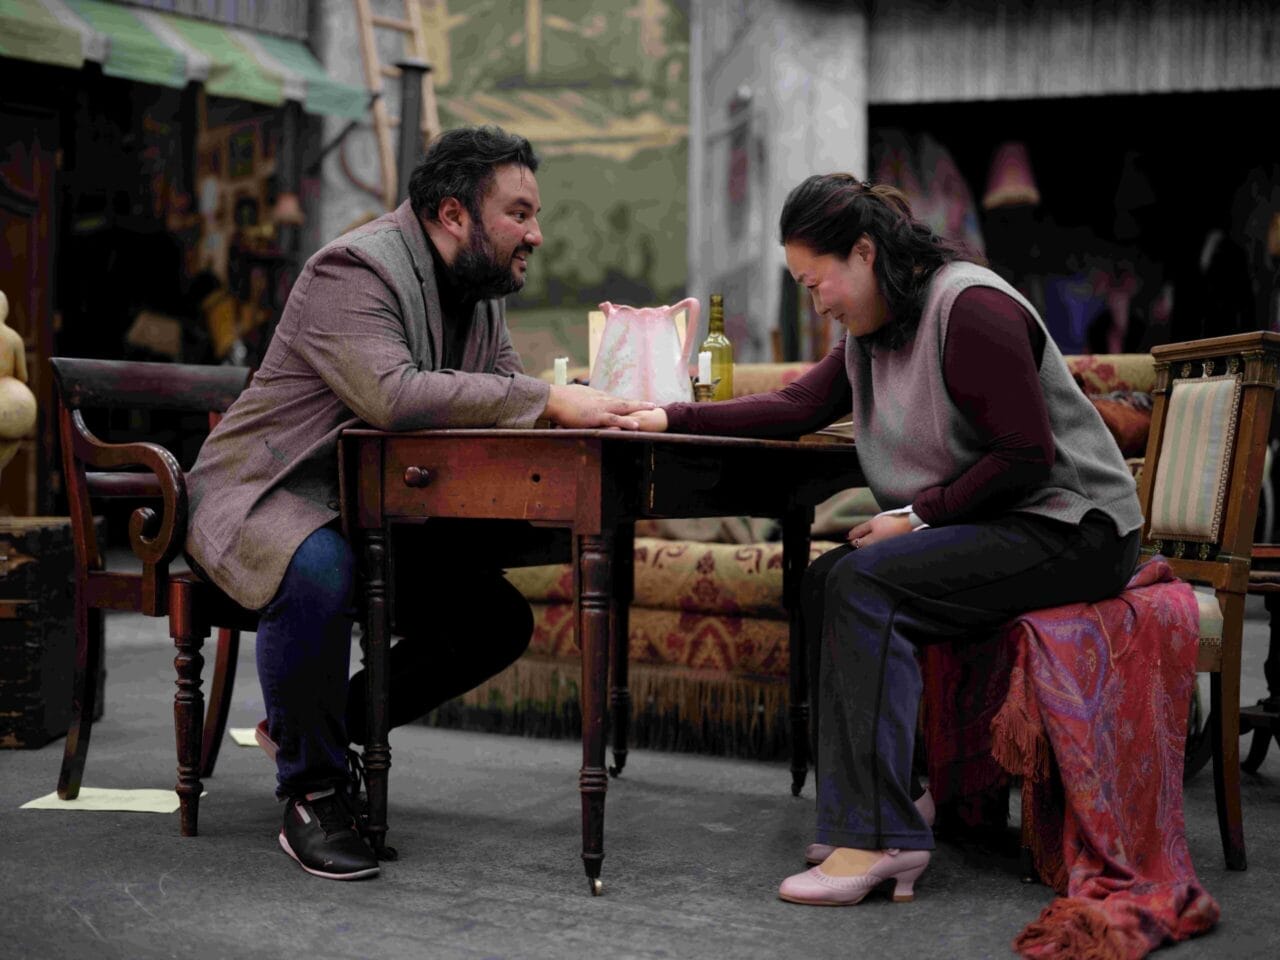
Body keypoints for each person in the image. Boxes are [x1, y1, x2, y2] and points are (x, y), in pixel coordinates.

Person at [632, 173, 1142, 905]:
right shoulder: (875, 326)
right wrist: (665, 419)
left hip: (1075, 526)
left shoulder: (970, 308)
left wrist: (918, 516)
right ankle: (879, 808)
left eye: (818, 282)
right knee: (826, 577)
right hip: (1003, 524)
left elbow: (1024, 454)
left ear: (865, 253)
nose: (818, 302)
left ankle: (879, 836)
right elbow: (798, 404)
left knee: (866, 583)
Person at [184, 125, 652, 882]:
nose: (536, 233)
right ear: (452, 214)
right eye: (519, 213)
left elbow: (498, 397)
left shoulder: (480, 291)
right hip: (265, 492)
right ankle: (314, 789)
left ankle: (312, 727)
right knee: (320, 566)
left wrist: (592, 415)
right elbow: (393, 395)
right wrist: (551, 399)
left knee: (494, 618)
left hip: (369, 502)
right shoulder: (352, 269)